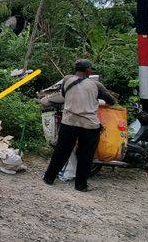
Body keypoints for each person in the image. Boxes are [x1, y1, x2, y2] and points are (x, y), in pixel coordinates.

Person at [43, 59, 116, 192]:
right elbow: (111, 101)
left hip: (69, 122)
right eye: (90, 68)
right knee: (85, 155)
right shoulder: (96, 85)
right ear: (88, 70)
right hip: (89, 125)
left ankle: (49, 178)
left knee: (61, 151)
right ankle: (80, 185)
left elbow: (65, 95)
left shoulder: (67, 80)